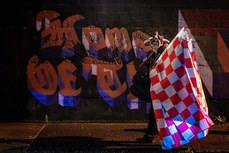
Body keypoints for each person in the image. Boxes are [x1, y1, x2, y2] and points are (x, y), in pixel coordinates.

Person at [129, 32, 170, 143]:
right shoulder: (154, 54)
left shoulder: (165, 54)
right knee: (155, 111)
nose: (153, 45)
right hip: (157, 88)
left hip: (164, 89)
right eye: (152, 43)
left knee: (161, 112)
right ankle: (151, 135)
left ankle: (155, 136)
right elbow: (147, 66)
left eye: (155, 43)